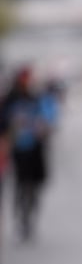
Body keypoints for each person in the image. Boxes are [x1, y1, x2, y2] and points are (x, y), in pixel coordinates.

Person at [1, 66, 52, 241]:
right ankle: (21, 218)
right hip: (18, 149)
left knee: (34, 186)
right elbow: (5, 123)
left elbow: (49, 119)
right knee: (21, 185)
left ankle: (29, 217)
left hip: (35, 148)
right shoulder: (11, 99)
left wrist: (43, 127)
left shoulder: (38, 98)